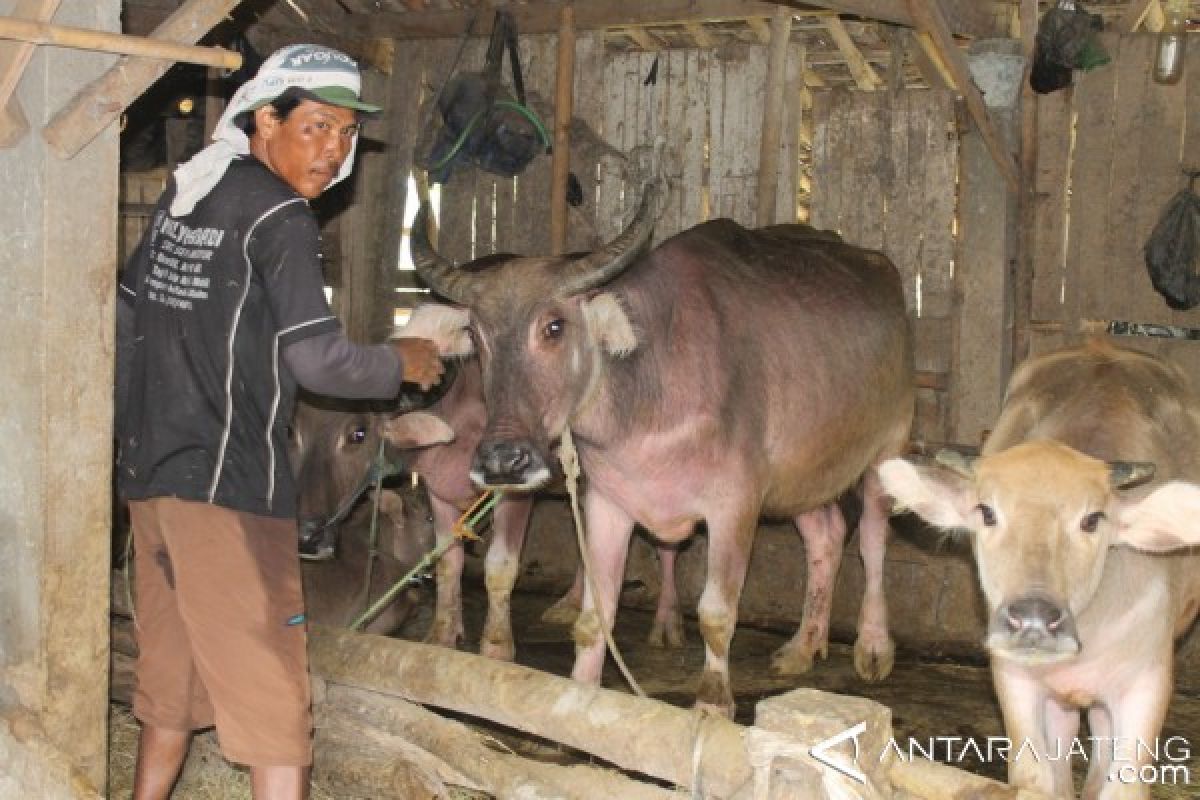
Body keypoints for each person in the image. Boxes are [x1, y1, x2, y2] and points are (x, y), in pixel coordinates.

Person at [114, 44, 443, 800]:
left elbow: (130, 306)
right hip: (230, 492)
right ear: (266, 118)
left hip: (154, 483)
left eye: (345, 134)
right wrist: (402, 364)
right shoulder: (279, 214)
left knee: (173, 683)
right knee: (275, 707)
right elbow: (319, 364)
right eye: (316, 126)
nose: (333, 151)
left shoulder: (191, 194)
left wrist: (131, 437)